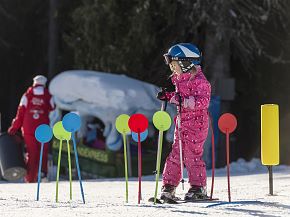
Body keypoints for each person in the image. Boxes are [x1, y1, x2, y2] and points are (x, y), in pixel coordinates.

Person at [157, 43, 211, 201]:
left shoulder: (201, 81)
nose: (173, 70)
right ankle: (169, 185)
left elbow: (203, 101)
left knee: (191, 155)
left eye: (175, 66)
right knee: (175, 155)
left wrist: (183, 100)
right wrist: (168, 96)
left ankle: (198, 186)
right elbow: (180, 98)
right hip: (182, 124)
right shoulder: (180, 80)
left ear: (186, 64)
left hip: (197, 125)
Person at [8, 75, 55, 183]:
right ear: (44, 83)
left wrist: (14, 128)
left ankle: (30, 178)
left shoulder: (27, 95)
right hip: (43, 128)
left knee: (31, 152)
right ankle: (43, 174)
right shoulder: (48, 96)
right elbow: (53, 111)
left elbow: (20, 113)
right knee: (43, 151)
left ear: (34, 83)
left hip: (28, 128)